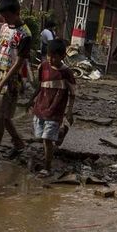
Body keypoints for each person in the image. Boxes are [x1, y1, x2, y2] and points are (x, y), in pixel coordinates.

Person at [0, 0, 31, 169]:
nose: (5, 19)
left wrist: (1, 84)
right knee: (3, 116)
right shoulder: (4, 27)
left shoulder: (25, 34)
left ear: (17, 12)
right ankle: (18, 143)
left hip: (11, 82)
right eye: (3, 16)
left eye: (8, 16)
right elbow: (0, 52)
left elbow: (19, 63)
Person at [29, 39, 76, 178]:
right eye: (49, 55)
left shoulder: (67, 73)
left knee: (47, 140)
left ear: (63, 56)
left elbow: (72, 93)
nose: (51, 59)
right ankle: (61, 134)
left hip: (55, 110)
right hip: (41, 107)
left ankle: (47, 168)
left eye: (54, 56)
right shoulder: (43, 67)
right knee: (40, 136)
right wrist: (31, 100)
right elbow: (40, 85)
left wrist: (69, 111)